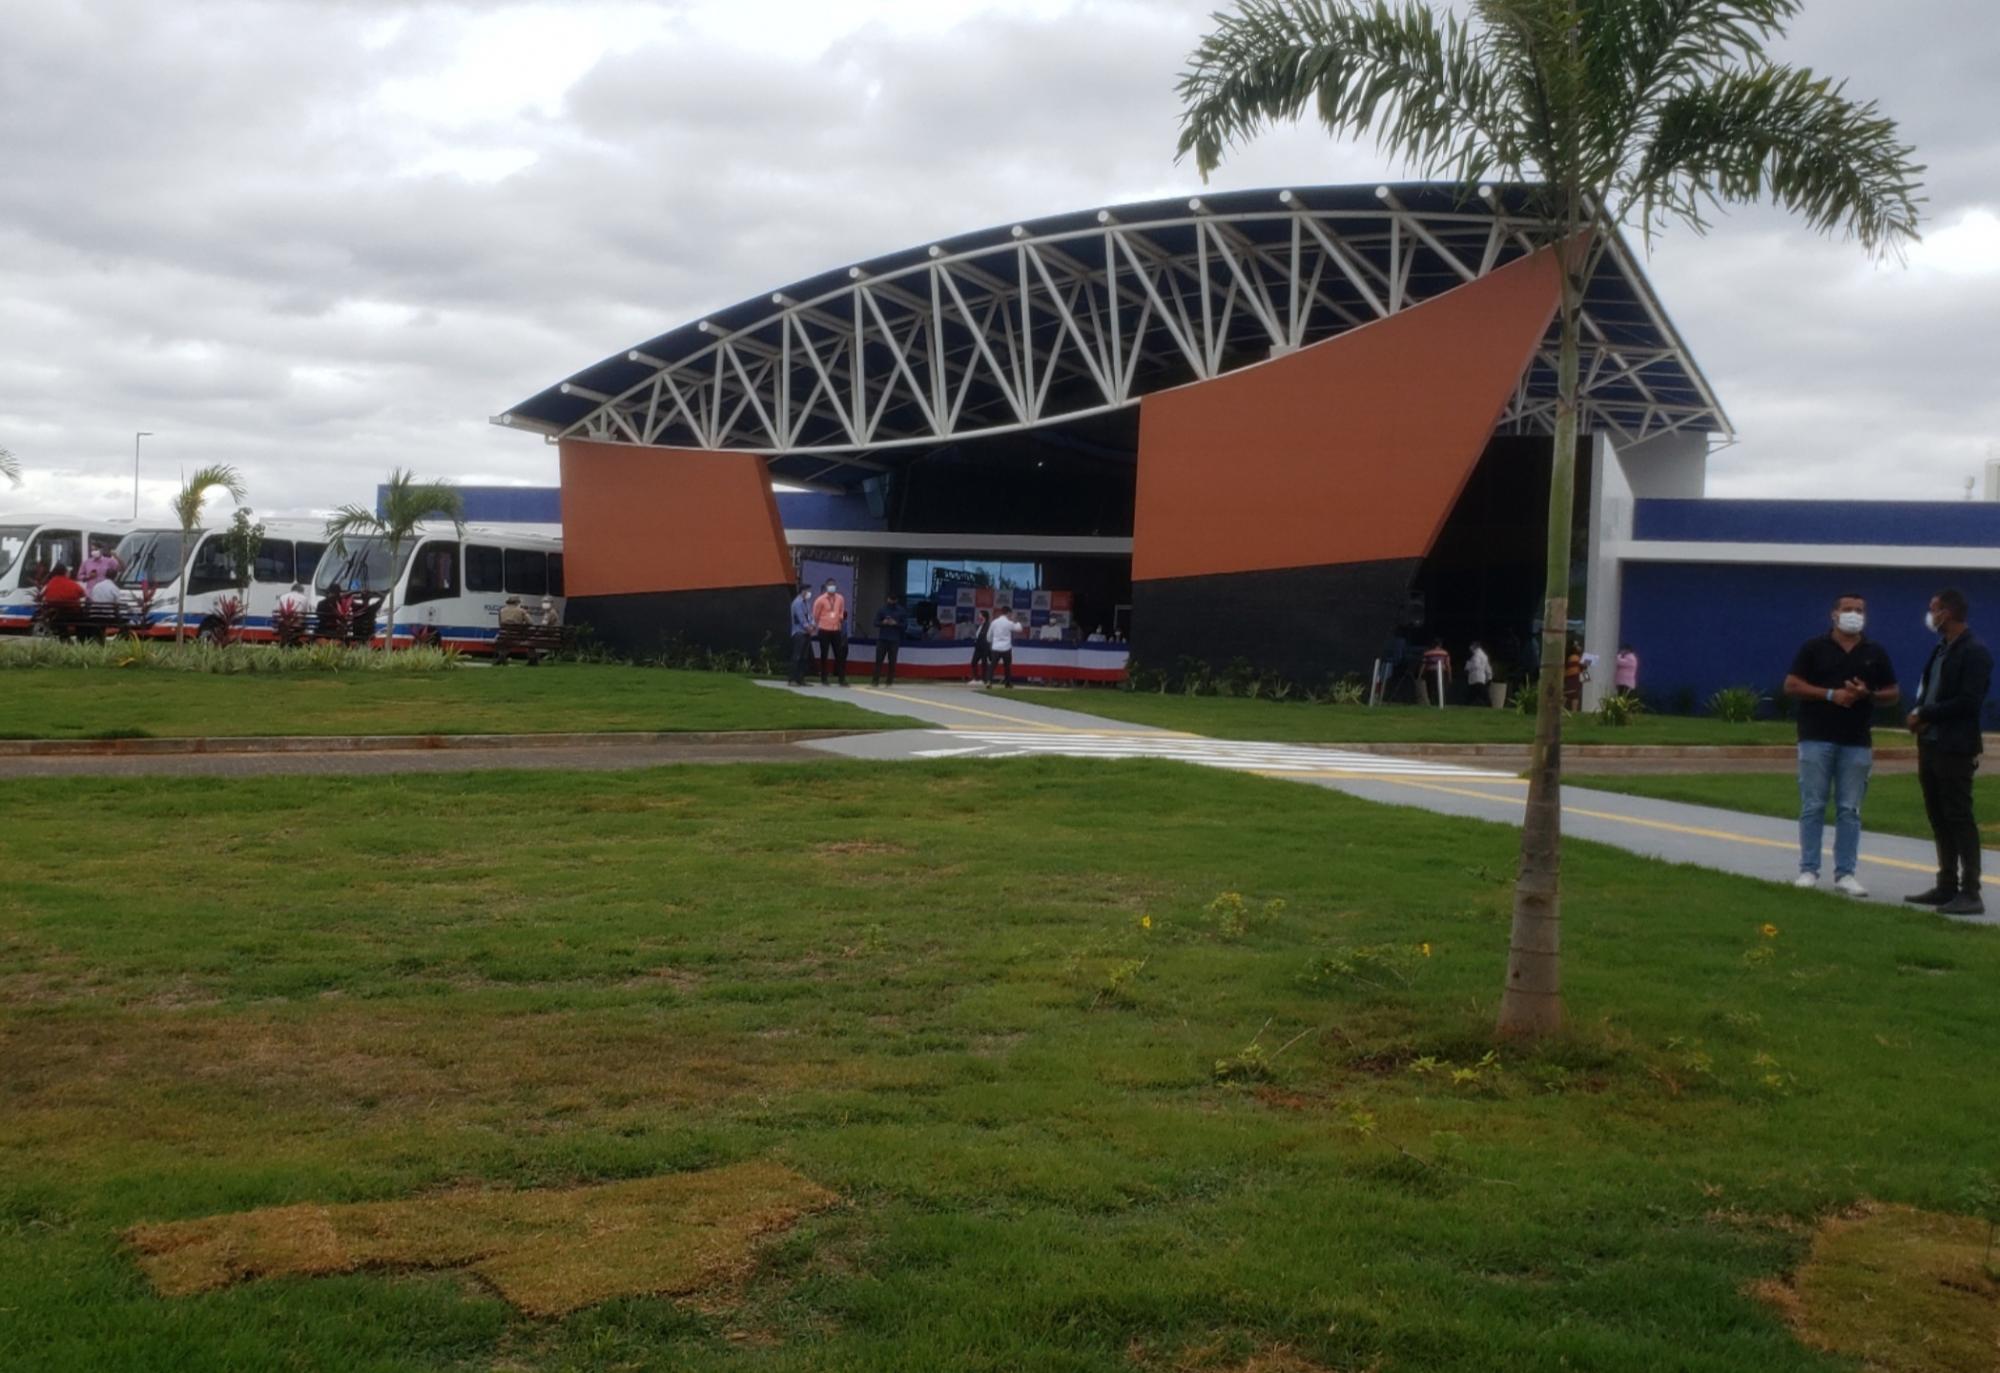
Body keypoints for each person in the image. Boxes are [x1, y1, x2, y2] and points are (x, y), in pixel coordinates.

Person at [1782, 593, 1900, 897]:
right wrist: (1831, 695)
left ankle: (1845, 873)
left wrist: (1867, 694)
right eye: (1848, 609)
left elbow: (1893, 693)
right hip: (1816, 736)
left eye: (1860, 610)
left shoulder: (1875, 652)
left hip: (1856, 740)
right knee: (1813, 804)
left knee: (1850, 808)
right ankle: (1808, 869)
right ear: (1834, 614)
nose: (1854, 614)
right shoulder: (1814, 648)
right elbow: (1791, 685)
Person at [1904, 588, 1993, 916]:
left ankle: (1971, 891)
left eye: (1934, 609)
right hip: (1931, 744)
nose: (1931, 616)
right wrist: (1919, 713)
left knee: (1959, 816)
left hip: (1955, 746)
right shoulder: (1941, 650)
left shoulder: (1975, 652)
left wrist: (1926, 715)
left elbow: (1968, 702)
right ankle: (1946, 884)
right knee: (1938, 815)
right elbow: (1929, 691)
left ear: (1949, 612)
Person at [811, 578, 848, 686]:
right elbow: (815, 615)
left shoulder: (840, 598)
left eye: (834, 585)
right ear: (826, 586)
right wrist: (814, 628)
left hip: (836, 629)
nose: (832, 587)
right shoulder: (820, 600)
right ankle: (824, 678)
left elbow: (841, 611)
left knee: (839, 654)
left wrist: (840, 618)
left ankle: (842, 679)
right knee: (824, 654)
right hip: (824, 629)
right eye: (830, 585)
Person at [871, 591, 905, 687]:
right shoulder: (882, 610)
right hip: (883, 638)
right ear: (888, 599)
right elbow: (875, 623)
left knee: (892, 661)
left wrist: (896, 624)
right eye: (891, 599)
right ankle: (875, 680)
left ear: (896, 600)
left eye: (894, 600)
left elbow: (905, 625)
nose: (892, 601)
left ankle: (889, 681)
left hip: (894, 639)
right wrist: (883, 622)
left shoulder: (901, 611)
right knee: (878, 660)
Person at [787, 582, 814, 686]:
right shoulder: (797, 603)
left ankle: (800, 678)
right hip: (799, 632)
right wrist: (808, 627)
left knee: (804, 657)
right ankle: (792, 679)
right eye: (808, 590)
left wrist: (812, 625)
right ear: (803, 591)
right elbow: (800, 618)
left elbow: (810, 616)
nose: (809, 593)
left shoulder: (807, 603)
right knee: (797, 656)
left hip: (807, 633)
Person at [986, 606, 1021, 687]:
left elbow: (989, 636)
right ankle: (1007, 683)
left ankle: (989, 681)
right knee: (1007, 666)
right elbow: (1019, 629)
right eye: (1010, 614)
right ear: (1008, 613)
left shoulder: (994, 622)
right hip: (1006, 648)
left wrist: (991, 642)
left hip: (996, 647)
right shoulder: (1009, 622)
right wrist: (1016, 620)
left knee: (992, 666)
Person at [968, 609, 992, 685]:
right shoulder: (981, 625)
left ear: (984, 616)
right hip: (978, 647)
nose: (978, 616)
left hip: (984, 647)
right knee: (973, 662)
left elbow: (986, 637)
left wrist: (988, 648)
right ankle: (976, 678)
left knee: (984, 663)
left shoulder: (988, 625)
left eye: (980, 615)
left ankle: (984, 680)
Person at [1464, 640, 1492, 706]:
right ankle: (1489, 705)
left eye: (1471, 646)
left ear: (1475, 646)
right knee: (1474, 694)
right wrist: (1489, 676)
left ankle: (1490, 705)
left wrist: (1467, 666)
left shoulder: (1476, 656)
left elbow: (1475, 665)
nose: (1470, 648)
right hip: (1480, 678)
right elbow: (1487, 667)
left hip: (1475, 678)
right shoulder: (1484, 656)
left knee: (1480, 694)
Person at [1563, 640, 1584, 712]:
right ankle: (1573, 710)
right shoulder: (1575, 657)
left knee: (1571, 694)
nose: (1580, 647)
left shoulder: (1571, 657)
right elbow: (1579, 666)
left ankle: (1573, 710)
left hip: (1572, 677)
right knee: (1571, 693)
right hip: (1573, 677)